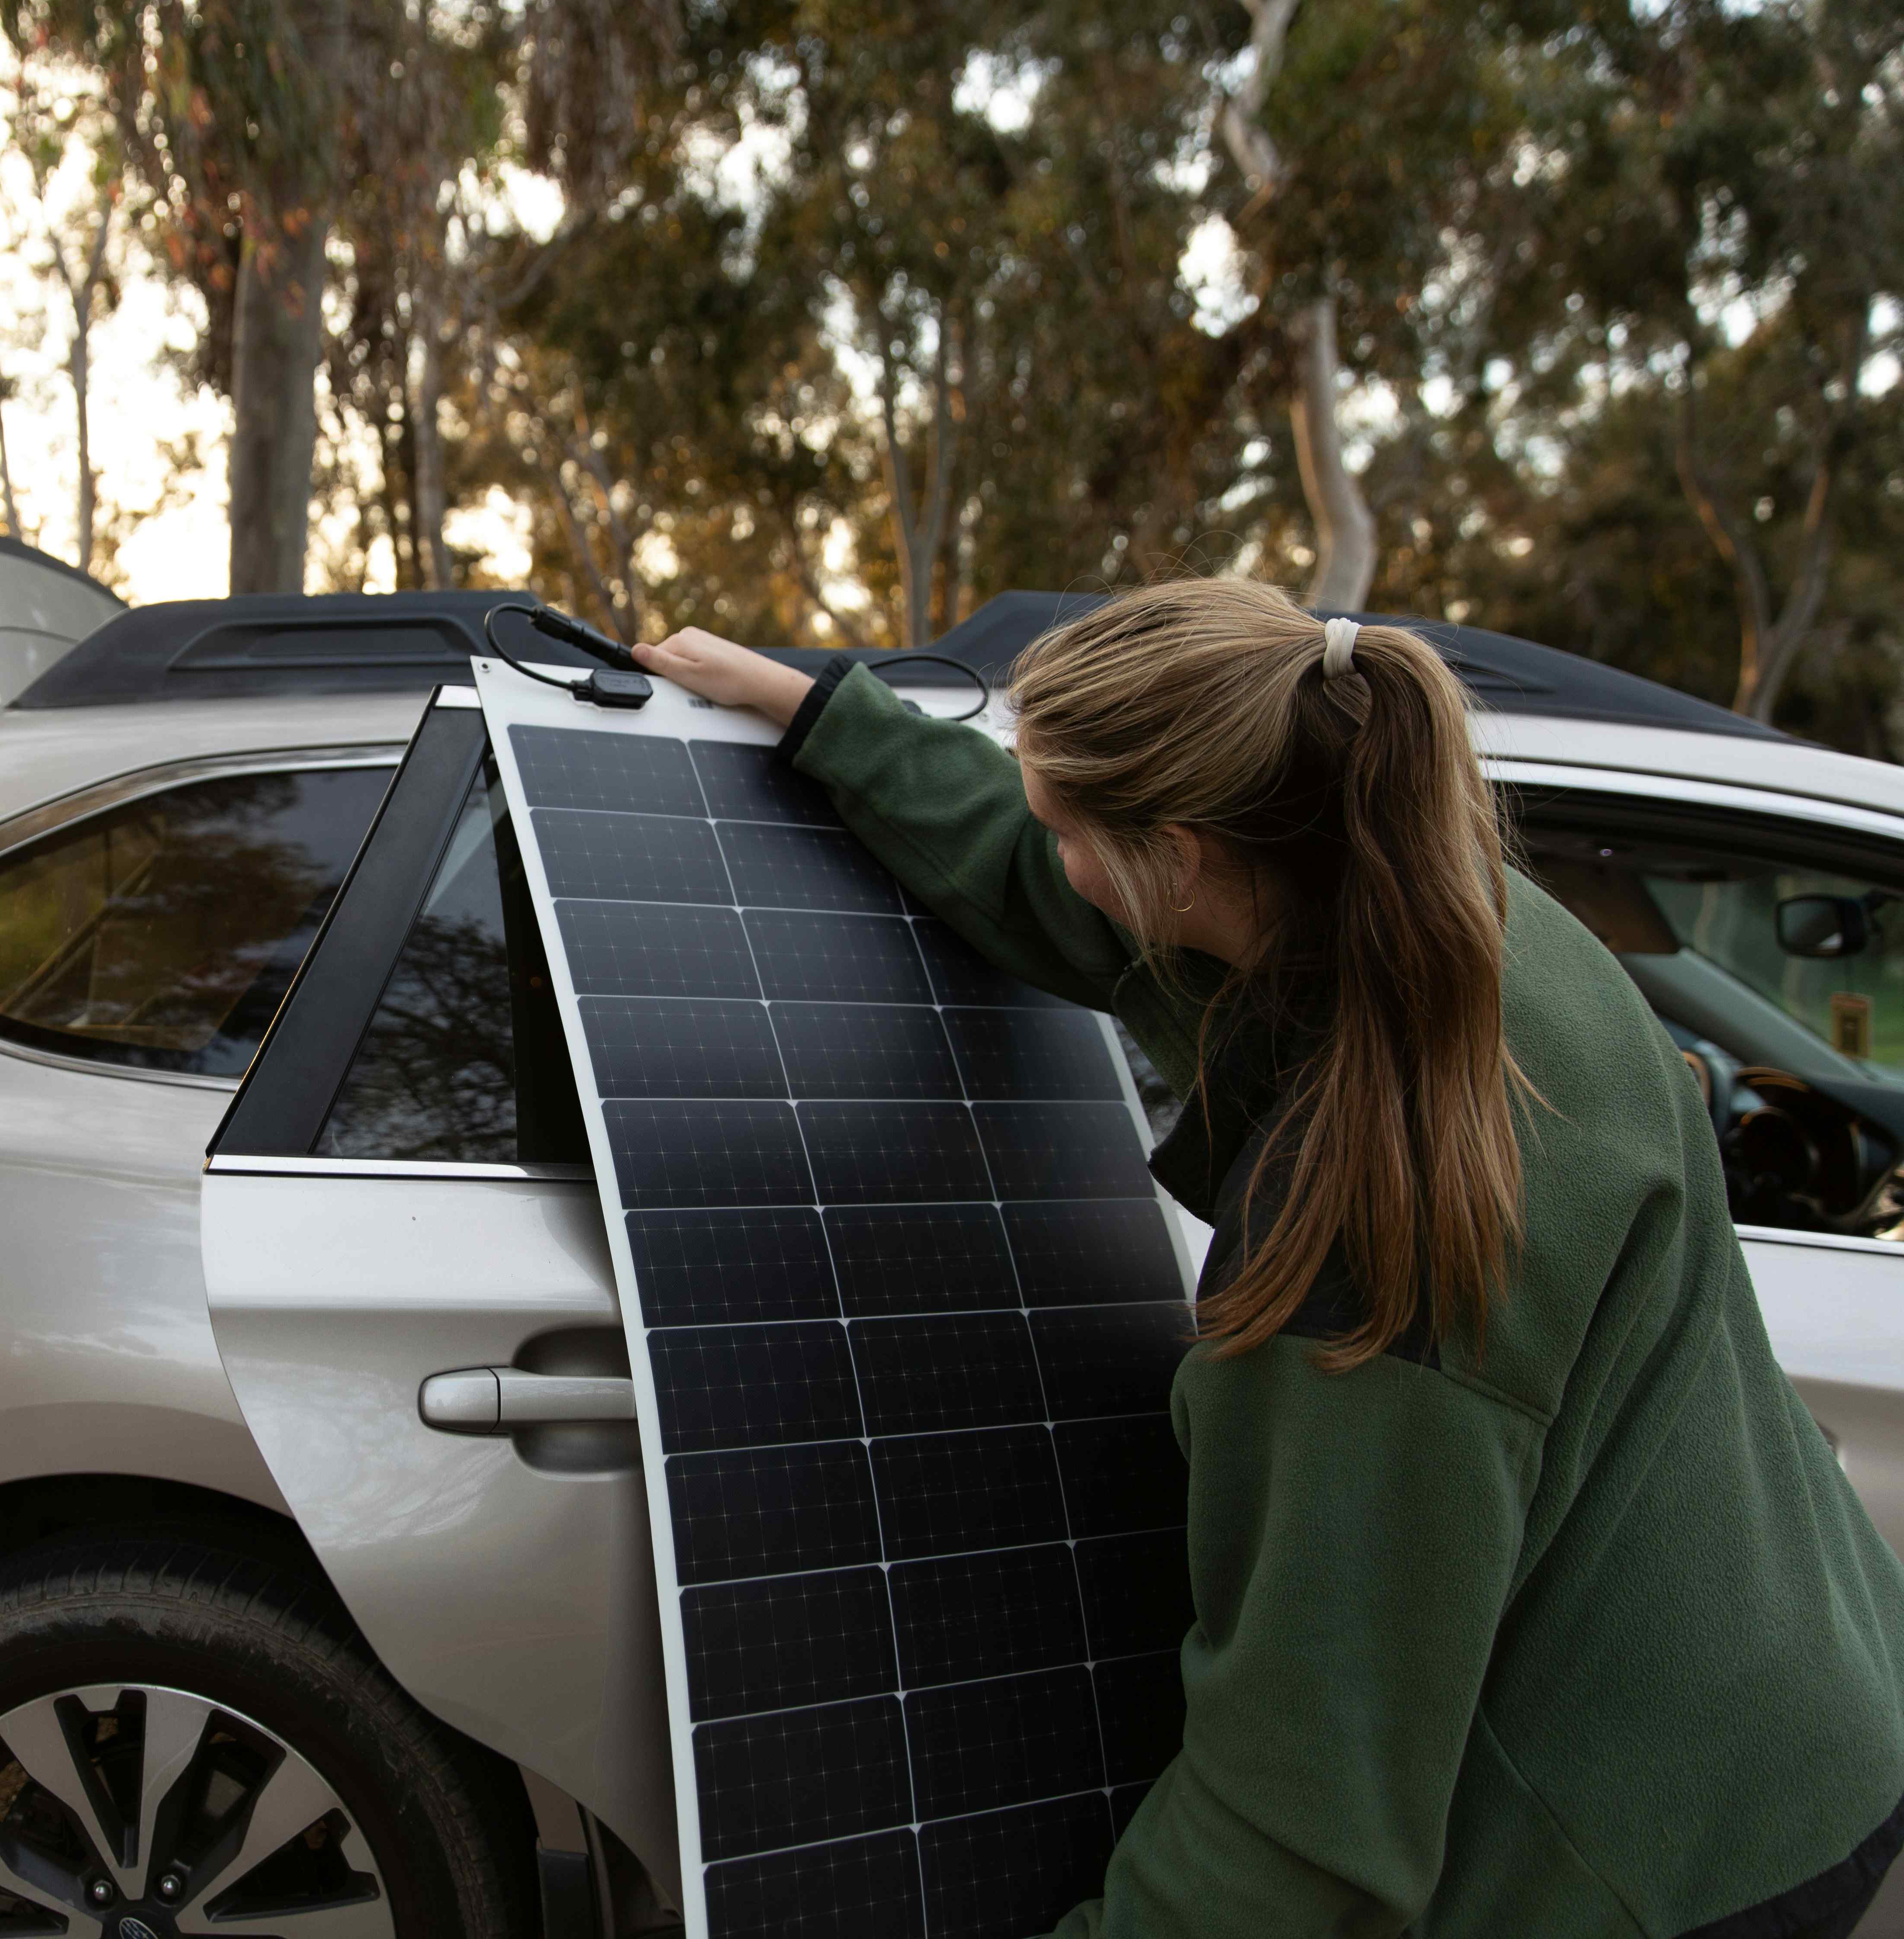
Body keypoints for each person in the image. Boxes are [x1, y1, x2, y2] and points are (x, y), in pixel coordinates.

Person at [633, 577, 1904, 1939]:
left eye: (1072, 824)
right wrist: (826, 714)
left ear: (1180, 858)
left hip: (1643, 1854)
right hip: (1788, 1696)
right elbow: (1055, 884)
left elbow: (1298, 1828)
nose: (1050, 846)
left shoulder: (1365, 1235)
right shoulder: (1441, 915)